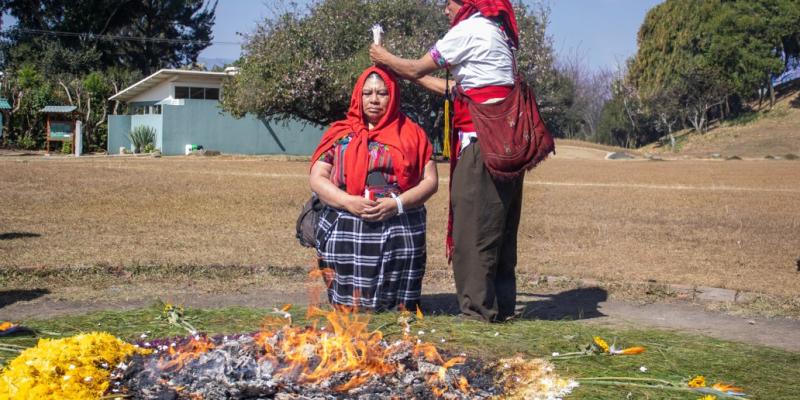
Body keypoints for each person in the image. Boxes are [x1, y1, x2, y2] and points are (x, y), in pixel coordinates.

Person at [370, 0, 526, 322]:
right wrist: (404, 72)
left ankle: (477, 312)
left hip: (481, 144)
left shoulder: (468, 30)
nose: (445, 11)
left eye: (449, 3)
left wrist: (383, 58)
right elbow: (454, 88)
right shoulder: (497, 33)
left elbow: (417, 67)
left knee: (474, 228)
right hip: (506, 141)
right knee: (499, 226)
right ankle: (501, 307)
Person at [309, 66, 438, 311]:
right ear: (358, 96)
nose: (374, 100)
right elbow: (318, 177)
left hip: (399, 222)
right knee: (350, 308)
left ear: (393, 96)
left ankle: (397, 315)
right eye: (368, 93)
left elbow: (430, 181)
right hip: (347, 221)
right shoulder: (340, 134)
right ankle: (349, 313)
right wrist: (348, 201)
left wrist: (396, 204)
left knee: (396, 308)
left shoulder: (412, 134)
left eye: (382, 93)